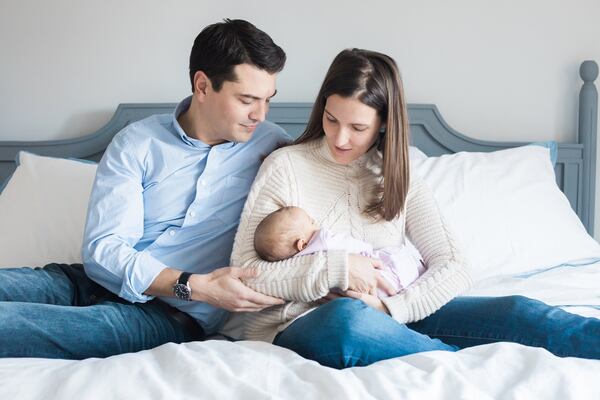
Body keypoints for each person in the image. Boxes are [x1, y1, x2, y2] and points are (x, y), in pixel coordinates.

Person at [230, 48, 600, 369]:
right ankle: (466, 367)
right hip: (306, 323)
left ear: (384, 124)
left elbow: (454, 265)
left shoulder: (396, 175)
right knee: (347, 323)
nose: (340, 137)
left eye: (357, 127)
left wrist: (391, 310)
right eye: (331, 119)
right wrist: (337, 267)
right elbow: (245, 275)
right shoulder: (285, 167)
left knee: (520, 312)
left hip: (392, 315)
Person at [0, 19, 290, 359]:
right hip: (84, 281)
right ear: (202, 85)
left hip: (167, 316)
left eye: (268, 99)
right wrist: (196, 283)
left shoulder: (275, 149)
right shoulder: (137, 142)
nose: (260, 114)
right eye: (246, 99)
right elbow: (104, 248)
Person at [253, 205, 425, 297]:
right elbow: (357, 248)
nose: (316, 223)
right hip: (375, 276)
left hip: (357, 293)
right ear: (302, 244)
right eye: (311, 221)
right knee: (398, 261)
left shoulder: (297, 261)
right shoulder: (324, 240)